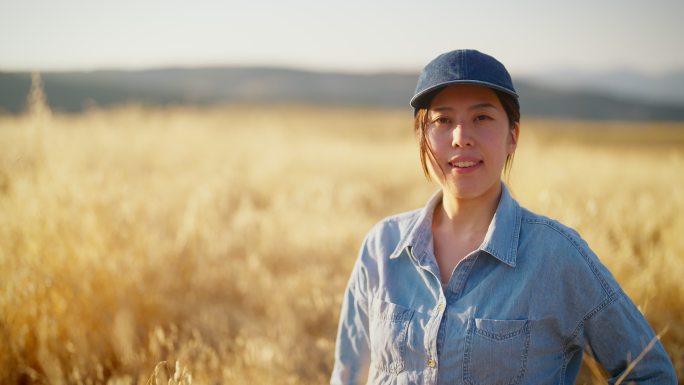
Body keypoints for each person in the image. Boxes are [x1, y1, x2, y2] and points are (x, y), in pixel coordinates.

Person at [330, 49, 677, 385]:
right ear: (422, 136)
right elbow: (348, 376)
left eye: (481, 118)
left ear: (513, 135)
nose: (461, 137)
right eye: (442, 120)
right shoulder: (381, 247)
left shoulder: (556, 255)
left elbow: (651, 374)